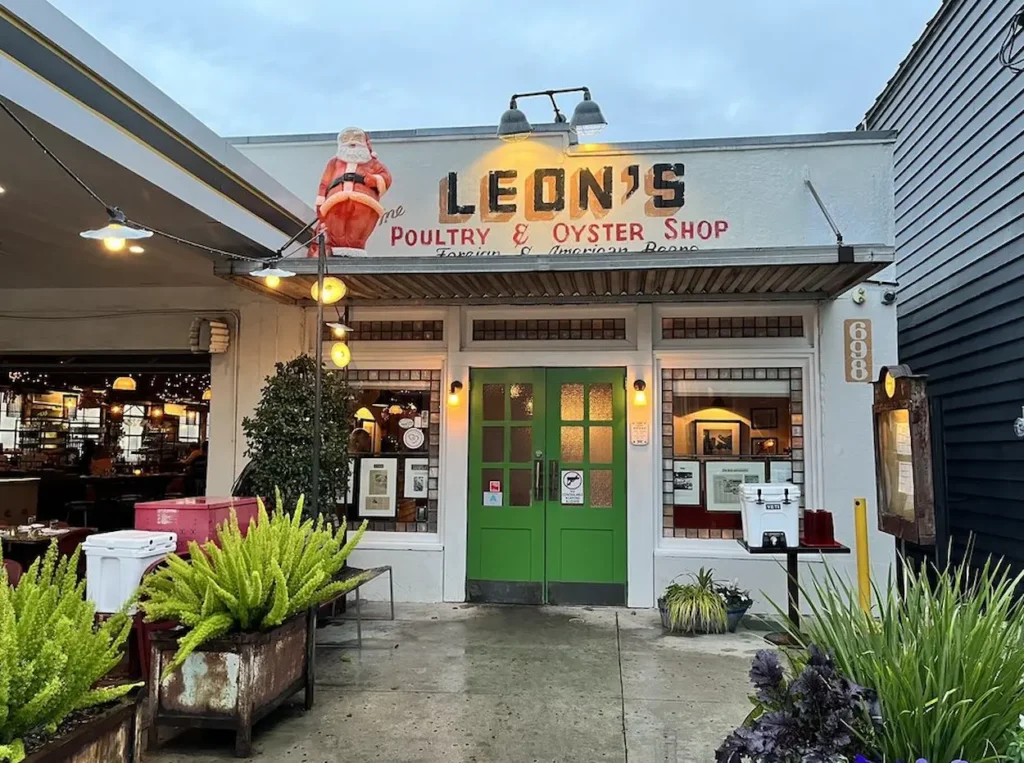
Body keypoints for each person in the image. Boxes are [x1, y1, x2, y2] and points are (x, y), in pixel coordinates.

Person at [310, 127, 392, 256]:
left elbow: (386, 178)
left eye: (357, 138)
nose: (352, 142)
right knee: (336, 226)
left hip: (364, 201)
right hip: (335, 201)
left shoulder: (373, 163)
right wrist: (320, 200)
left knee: (359, 226)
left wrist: (374, 180)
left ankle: (355, 249)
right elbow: (324, 183)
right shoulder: (334, 163)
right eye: (346, 139)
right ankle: (337, 248)